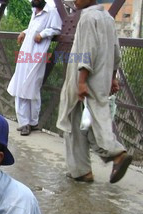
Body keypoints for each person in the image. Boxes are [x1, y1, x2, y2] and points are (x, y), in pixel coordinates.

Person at [56, 0, 132, 184]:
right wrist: (112, 77)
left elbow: (87, 51)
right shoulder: (107, 17)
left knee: (73, 122)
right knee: (98, 117)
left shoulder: (87, 17)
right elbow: (116, 52)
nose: (75, 0)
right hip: (102, 76)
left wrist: (81, 81)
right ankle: (84, 169)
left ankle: (112, 155)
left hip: (84, 77)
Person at [7, 0, 62, 136]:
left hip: (37, 54)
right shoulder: (34, 11)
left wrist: (43, 34)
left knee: (31, 86)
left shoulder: (51, 12)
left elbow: (56, 28)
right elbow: (33, 27)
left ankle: (31, 122)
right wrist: (24, 32)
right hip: (25, 53)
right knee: (21, 85)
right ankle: (25, 123)